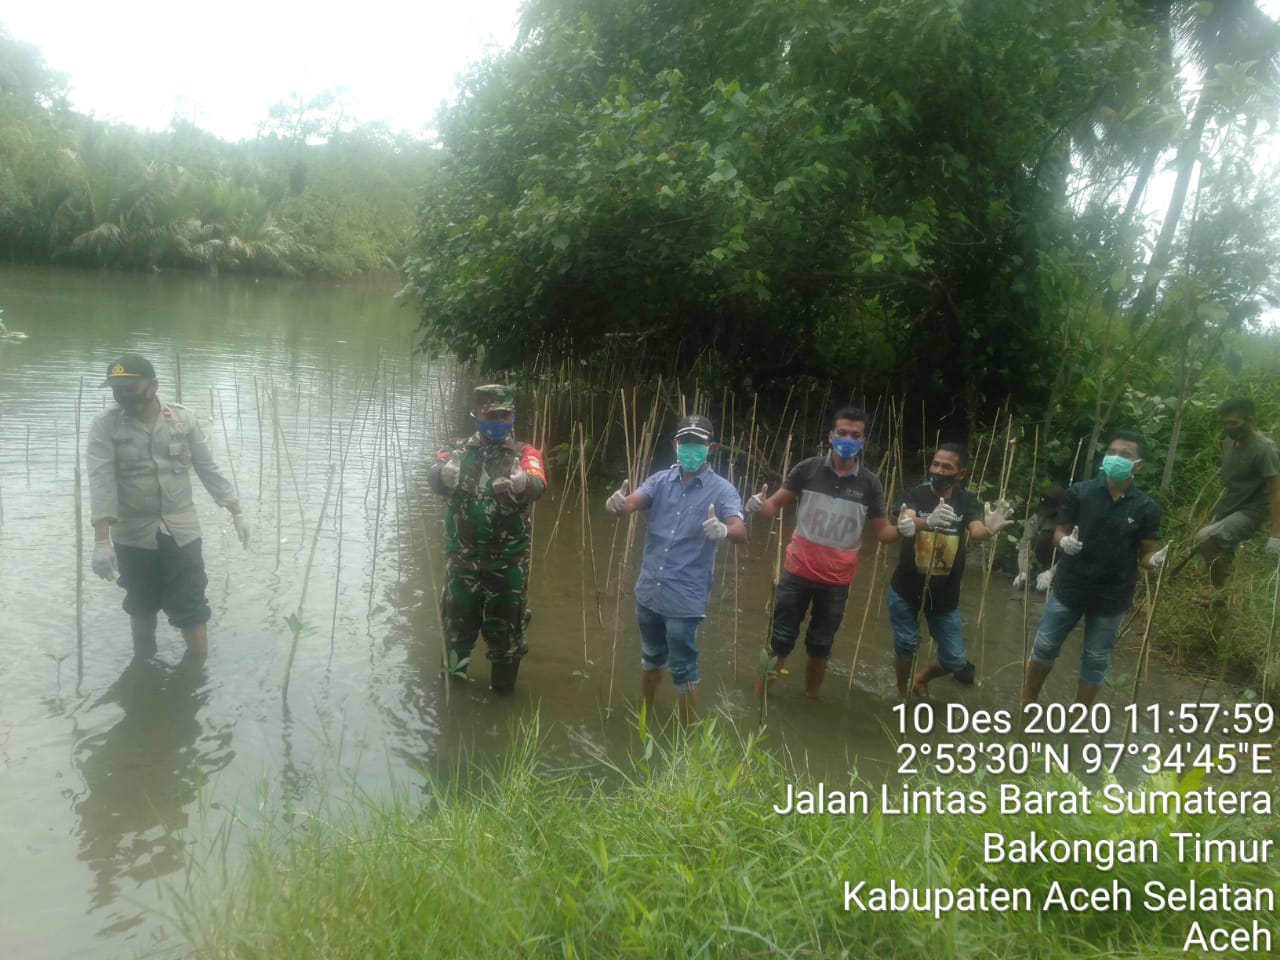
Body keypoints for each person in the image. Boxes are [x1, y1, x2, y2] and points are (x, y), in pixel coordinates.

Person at [87, 353, 249, 658]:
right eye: (116, 388)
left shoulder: (183, 420)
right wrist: (101, 541)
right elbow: (101, 482)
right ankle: (144, 665)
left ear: (153, 385)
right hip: (133, 534)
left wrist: (235, 510)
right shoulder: (105, 426)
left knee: (191, 605)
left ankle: (196, 671)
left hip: (181, 530)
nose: (123, 395)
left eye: (131, 387)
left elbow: (207, 468)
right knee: (140, 602)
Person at [604, 414, 746, 720]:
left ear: (711, 447)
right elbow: (631, 503)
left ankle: (687, 734)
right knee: (651, 656)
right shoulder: (659, 481)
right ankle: (645, 714)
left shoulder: (722, 490)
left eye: (698, 442)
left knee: (683, 666)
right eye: (686, 442)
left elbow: (740, 530)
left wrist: (723, 529)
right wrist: (618, 504)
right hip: (649, 591)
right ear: (675, 444)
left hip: (685, 598)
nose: (691, 448)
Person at [746, 406, 893, 699]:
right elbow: (772, 507)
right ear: (830, 436)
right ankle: (758, 699)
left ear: (863, 441)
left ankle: (810, 700)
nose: (848, 439)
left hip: (837, 581)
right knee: (780, 640)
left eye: (856, 435)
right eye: (842, 433)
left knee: (821, 645)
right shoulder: (808, 469)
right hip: (797, 572)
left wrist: (909, 526)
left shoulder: (869, 484)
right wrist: (756, 505)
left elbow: (884, 534)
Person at [1021, 430, 1167, 708]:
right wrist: (1064, 541)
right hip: (1070, 585)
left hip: (1112, 595)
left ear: (1140, 465)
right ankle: (1027, 703)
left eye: (1125, 455)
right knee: (1045, 646)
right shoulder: (1080, 492)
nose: (1115, 458)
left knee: (1097, 659)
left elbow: (1146, 554)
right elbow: (1059, 531)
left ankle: (1078, 718)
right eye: (1112, 452)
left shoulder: (1146, 507)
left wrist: (1155, 561)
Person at [430, 384, 547, 694]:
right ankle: (453, 707)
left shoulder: (525, 453)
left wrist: (524, 484)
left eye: (504, 415)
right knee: (455, 635)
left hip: (507, 567)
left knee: (506, 640)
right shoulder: (455, 450)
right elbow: (434, 473)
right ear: (476, 415)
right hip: (462, 564)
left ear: (513, 416)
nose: (498, 422)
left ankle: (502, 704)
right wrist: (441, 476)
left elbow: (538, 483)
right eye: (491, 415)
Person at [890, 443, 1014, 698]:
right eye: (935, 464)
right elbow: (906, 519)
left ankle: (921, 678)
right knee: (906, 643)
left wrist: (990, 529)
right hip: (905, 588)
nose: (938, 469)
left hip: (945, 594)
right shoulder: (915, 494)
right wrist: (925, 521)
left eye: (946, 467)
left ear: (960, 474)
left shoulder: (965, 500)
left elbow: (976, 530)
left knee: (955, 659)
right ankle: (902, 693)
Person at [1195, 397, 1280, 598]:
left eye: (1233, 423)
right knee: (1207, 562)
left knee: (1207, 539)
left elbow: (1275, 490)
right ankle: (1224, 602)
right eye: (1225, 423)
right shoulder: (1229, 442)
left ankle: (1220, 593)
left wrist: (1276, 534)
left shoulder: (1264, 450)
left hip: (1252, 511)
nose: (1229, 428)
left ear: (1250, 421)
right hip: (1229, 507)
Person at [1012, 484, 1065, 592]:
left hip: (1065, 558)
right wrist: (1023, 571)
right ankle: (1040, 571)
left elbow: (1071, 554)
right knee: (1043, 539)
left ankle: (1053, 576)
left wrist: (1051, 573)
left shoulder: (1071, 520)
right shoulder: (1037, 517)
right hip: (1045, 552)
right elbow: (1025, 543)